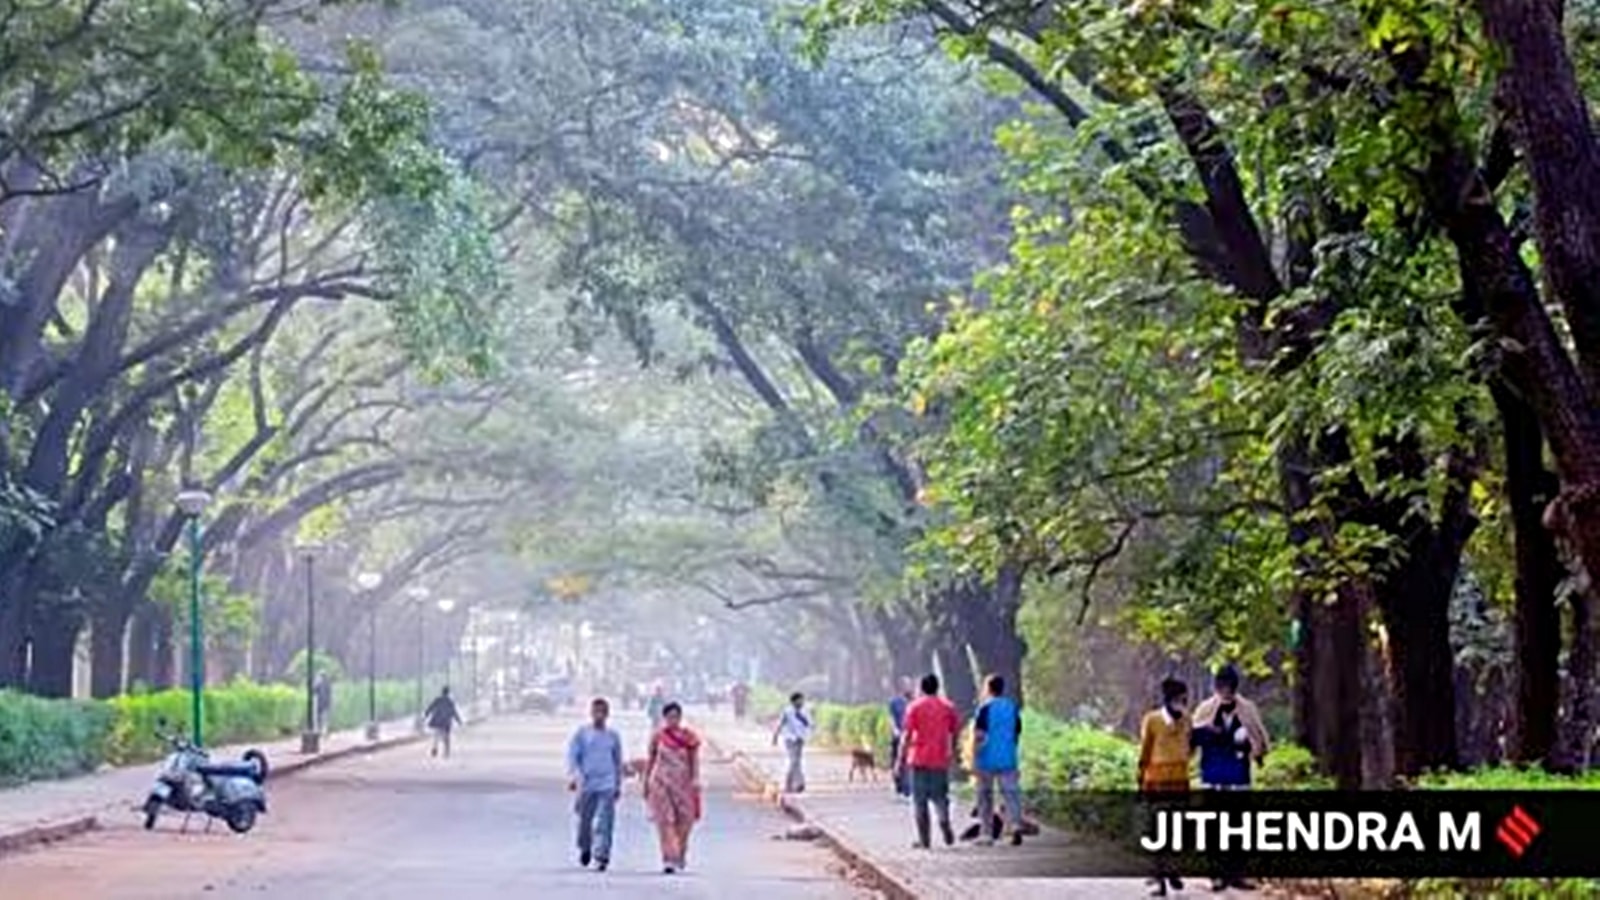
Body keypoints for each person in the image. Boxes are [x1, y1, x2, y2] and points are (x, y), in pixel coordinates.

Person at [1191, 665, 1268, 891]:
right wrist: (1207, 734)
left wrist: (1254, 750)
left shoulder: (1248, 709)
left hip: (1238, 777)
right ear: (1216, 688)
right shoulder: (1205, 709)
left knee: (1238, 828)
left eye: (1229, 688)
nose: (1225, 692)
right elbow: (1192, 738)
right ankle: (1216, 873)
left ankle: (1236, 874)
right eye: (1222, 687)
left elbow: (1258, 737)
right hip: (1213, 776)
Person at [1139, 677, 1193, 897]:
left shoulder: (1186, 719)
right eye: (1180, 698)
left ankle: (1170, 870)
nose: (1183, 702)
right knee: (1157, 829)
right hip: (1157, 779)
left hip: (1179, 779)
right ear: (1169, 699)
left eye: (1184, 698)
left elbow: (1188, 747)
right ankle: (1160, 876)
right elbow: (1145, 749)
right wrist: (1141, 777)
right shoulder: (1152, 720)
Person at [899, 673, 961, 849]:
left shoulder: (914, 707)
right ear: (937, 687)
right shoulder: (948, 707)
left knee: (920, 801)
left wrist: (899, 759)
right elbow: (954, 732)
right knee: (940, 797)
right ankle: (943, 820)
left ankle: (924, 840)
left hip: (918, 759)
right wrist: (953, 752)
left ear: (922, 688)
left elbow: (906, 735)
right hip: (940, 759)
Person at [568, 697, 625, 872]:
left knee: (605, 821)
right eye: (596, 712)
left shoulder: (613, 736)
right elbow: (573, 757)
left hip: (607, 783)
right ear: (591, 713)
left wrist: (617, 784)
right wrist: (575, 776)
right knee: (585, 820)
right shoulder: (582, 734)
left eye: (602, 712)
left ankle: (602, 855)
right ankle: (585, 847)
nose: (599, 715)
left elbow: (617, 761)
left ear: (607, 715)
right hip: (587, 783)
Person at [644, 701, 701, 874]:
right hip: (661, 784)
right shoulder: (658, 737)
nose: (672, 720)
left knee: (684, 822)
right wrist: (646, 782)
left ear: (680, 717)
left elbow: (694, 760)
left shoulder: (689, 737)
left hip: (683, 785)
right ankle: (669, 858)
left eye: (676, 717)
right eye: (669, 717)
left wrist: (695, 779)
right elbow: (651, 760)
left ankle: (680, 854)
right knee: (665, 822)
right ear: (664, 718)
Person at [973, 674, 1024, 846]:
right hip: (1008, 757)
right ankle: (1016, 825)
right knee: (1011, 794)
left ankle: (986, 834)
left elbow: (979, 735)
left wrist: (974, 756)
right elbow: (1017, 732)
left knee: (985, 796)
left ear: (988, 688)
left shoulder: (984, 708)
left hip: (987, 757)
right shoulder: (1012, 707)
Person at [772, 692, 812, 794]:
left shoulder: (805, 711)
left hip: (800, 739)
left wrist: (803, 720)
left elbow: (809, 724)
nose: (802, 702)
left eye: (802, 700)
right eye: (800, 700)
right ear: (794, 701)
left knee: (797, 761)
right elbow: (780, 724)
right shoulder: (787, 711)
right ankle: (789, 784)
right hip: (790, 739)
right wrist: (775, 736)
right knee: (793, 761)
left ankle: (799, 784)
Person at [887, 677, 913, 799]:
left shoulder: (913, 701)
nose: (908, 687)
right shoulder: (894, 702)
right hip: (898, 735)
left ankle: (907, 788)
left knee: (908, 761)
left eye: (909, 684)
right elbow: (891, 718)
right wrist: (895, 730)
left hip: (909, 736)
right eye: (906, 685)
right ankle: (899, 786)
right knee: (897, 760)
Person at [424, 686, 463, 758]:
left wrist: (426, 714)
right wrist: (459, 721)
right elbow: (454, 712)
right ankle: (446, 751)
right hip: (446, 722)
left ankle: (435, 748)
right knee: (446, 737)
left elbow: (431, 707)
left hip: (438, 720)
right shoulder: (450, 702)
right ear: (448, 693)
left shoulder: (438, 700)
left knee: (436, 735)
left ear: (442, 692)